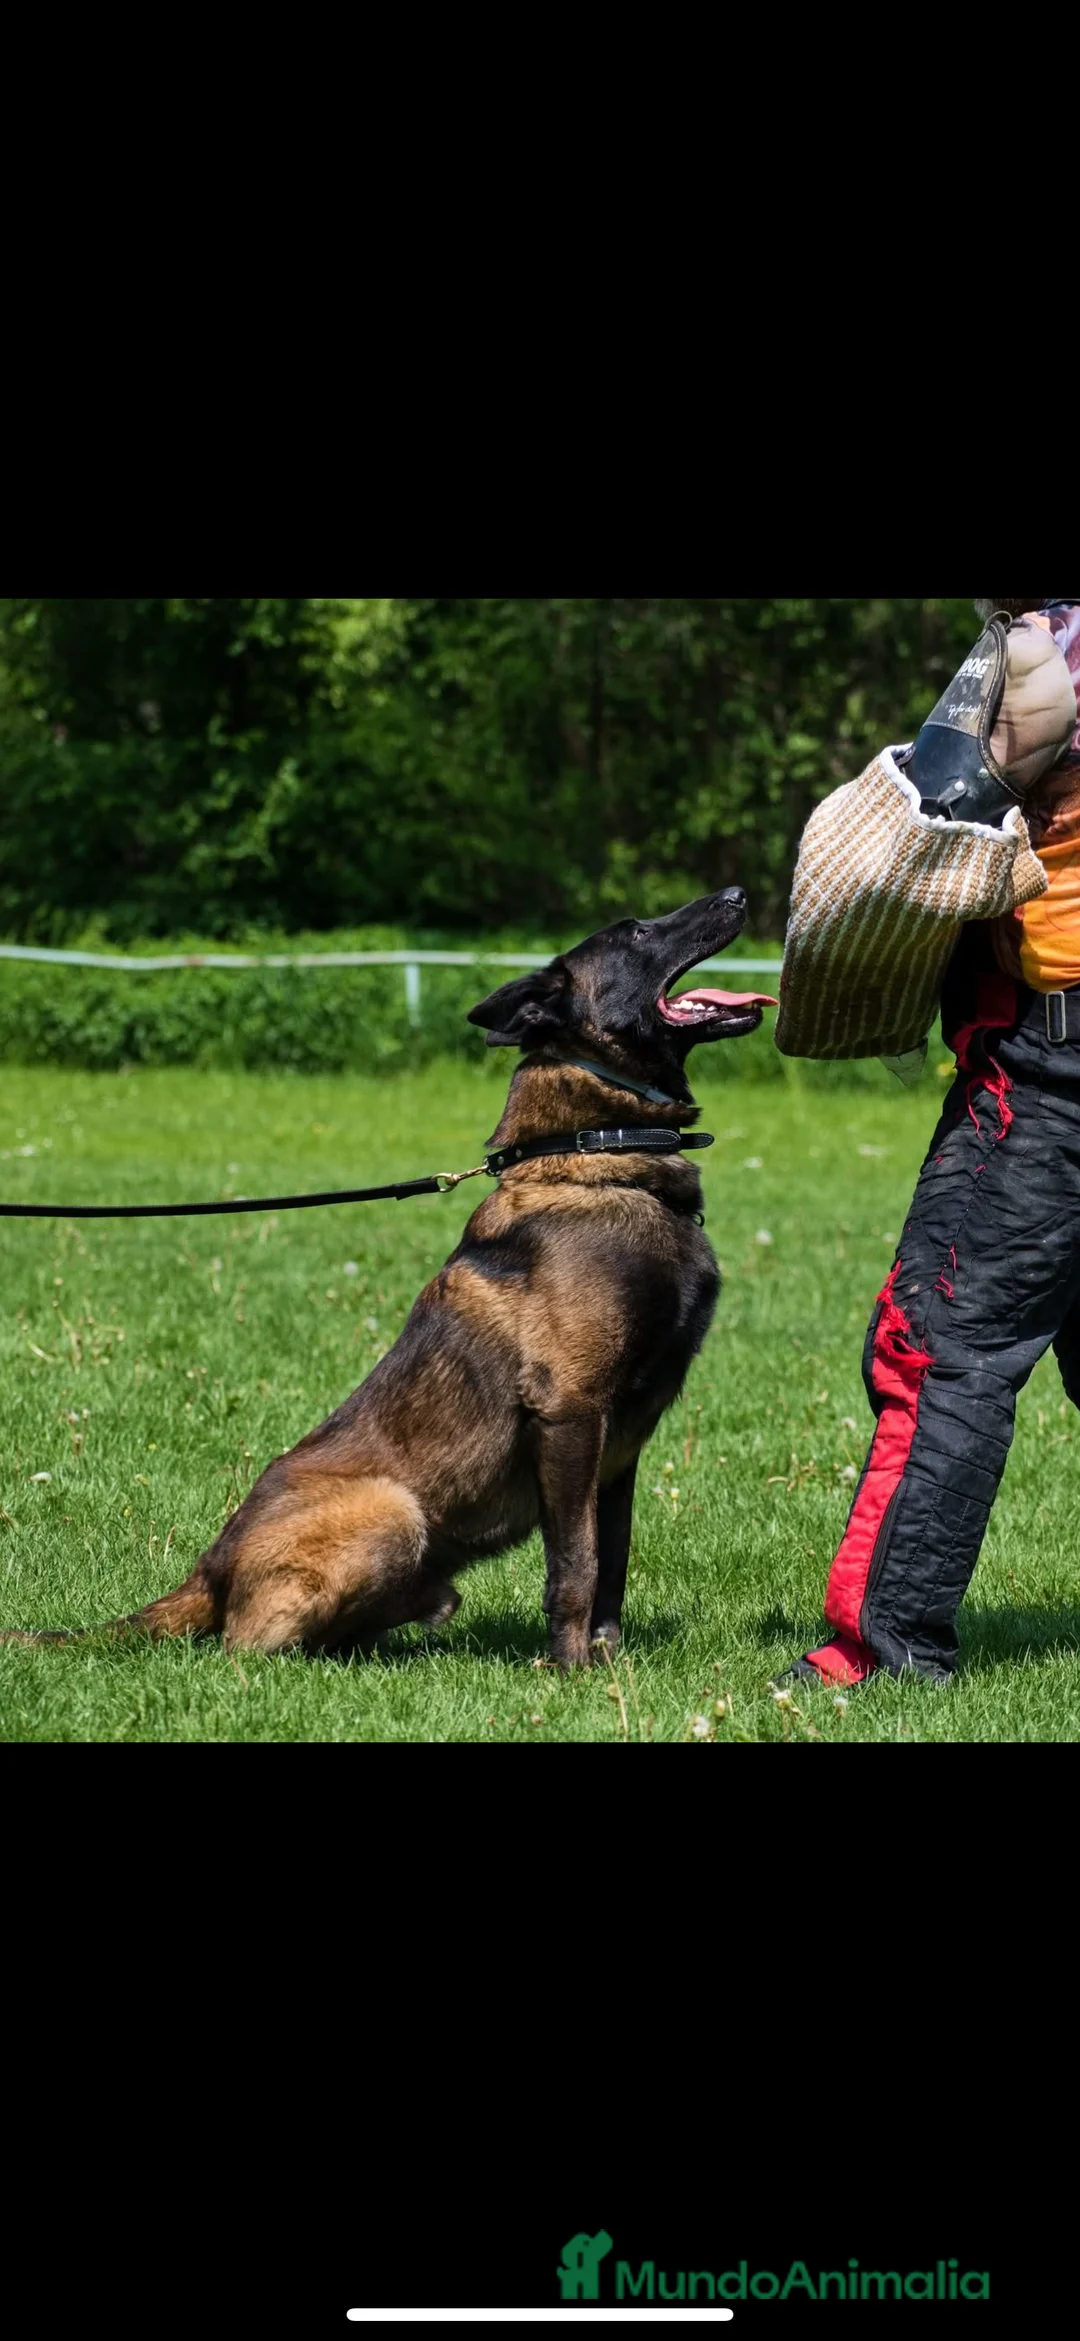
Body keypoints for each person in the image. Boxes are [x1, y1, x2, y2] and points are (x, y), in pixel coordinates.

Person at [782, 599, 1080, 1687]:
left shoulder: (1044, 645)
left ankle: (883, 1650)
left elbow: (948, 802)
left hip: (1051, 1081)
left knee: (940, 1350)